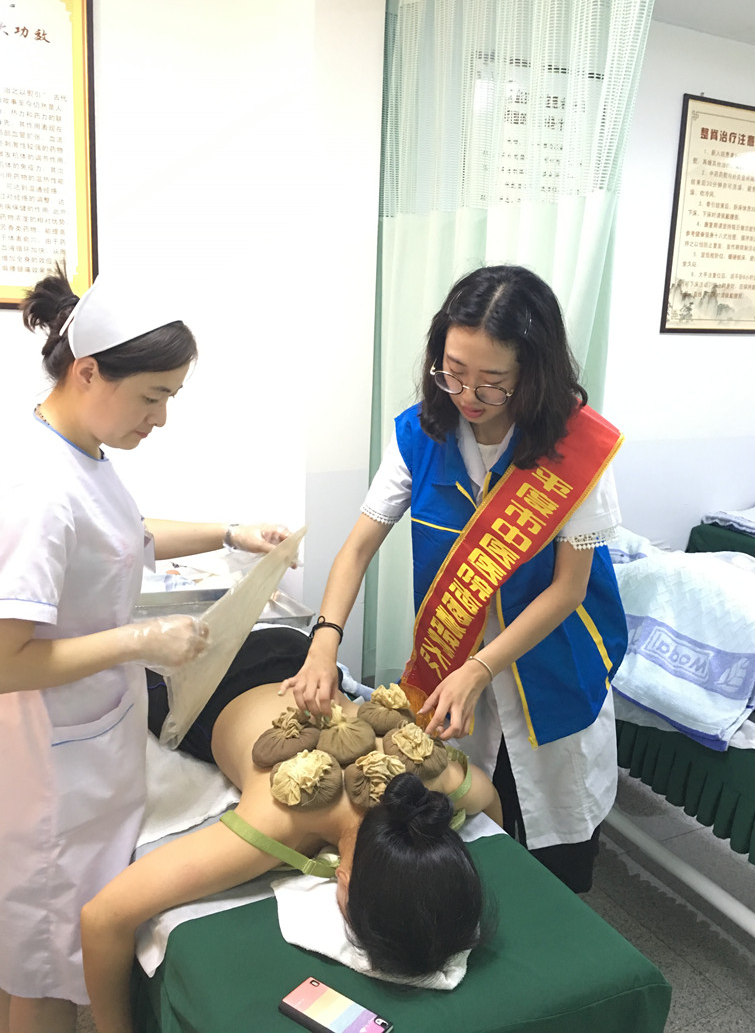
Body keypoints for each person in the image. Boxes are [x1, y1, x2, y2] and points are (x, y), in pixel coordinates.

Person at [0, 266, 291, 1033]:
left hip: (89, 749)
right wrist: (139, 639)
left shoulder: (80, 453)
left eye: (171, 398)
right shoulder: (37, 490)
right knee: (44, 972)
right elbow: (4, 661)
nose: (160, 419)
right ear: (88, 371)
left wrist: (231, 534)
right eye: (153, 396)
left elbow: (127, 536)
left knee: (52, 955)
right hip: (50, 774)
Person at [282, 264, 628, 894]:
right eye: (453, 370)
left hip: (553, 666)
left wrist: (479, 669)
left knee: (557, 852)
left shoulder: (575, 448)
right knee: (468, 841)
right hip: (458, 666)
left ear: (533, 372)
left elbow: (569, 589)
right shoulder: (421, 433)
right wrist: (323, 642)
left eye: (492, 382)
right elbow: (357, 548)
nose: (467, 394)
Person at [80, 626, 499, 1033]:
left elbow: (489, 797)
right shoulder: (279, 822)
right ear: (344, 880)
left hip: (293, 649)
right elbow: (101, 919)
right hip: (208, 679)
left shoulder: (436, 784)